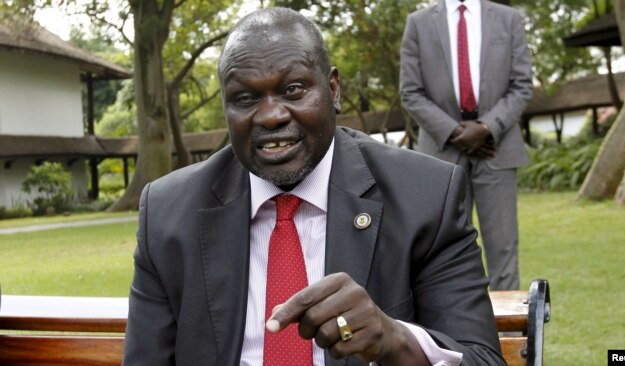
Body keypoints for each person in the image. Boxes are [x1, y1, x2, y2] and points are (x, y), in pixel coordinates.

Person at [123, 7, 504, 366]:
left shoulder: (426, 196)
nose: (271, 116)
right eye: (245, 98)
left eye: (293, 90)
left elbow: (483, 358)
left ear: (333, 89)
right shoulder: (168, 214)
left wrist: (394, 340)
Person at [400, 0, 533, 291]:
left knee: (503, 251)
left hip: (497, 149)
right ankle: (454, 334)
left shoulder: (508, 19)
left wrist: (487, 128)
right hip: (441, 153)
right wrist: (454, 132)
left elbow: (522, 84)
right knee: (443, 254)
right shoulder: (418, 23)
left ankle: (506, 332)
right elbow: (410, 91)